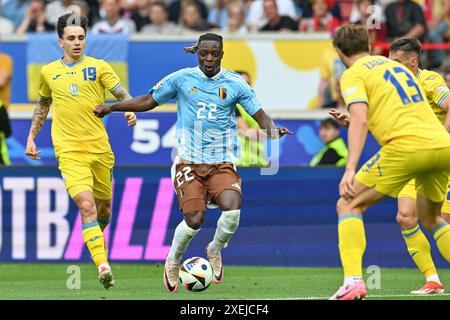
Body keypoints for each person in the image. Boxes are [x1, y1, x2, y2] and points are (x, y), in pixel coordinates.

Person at [93, 33, 292, 292]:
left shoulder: (235, 84)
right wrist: (111, 108)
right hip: (188, 162)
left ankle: (215, 248)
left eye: (214, 53)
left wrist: (272, 131)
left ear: (222, 54)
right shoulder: (181, 79)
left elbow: (260, 115)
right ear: (198, 53)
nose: (209, 58)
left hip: (221, 162)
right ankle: (173, 259)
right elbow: (147, 100)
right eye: (204, 53)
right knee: (195, 219)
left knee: (232, 210)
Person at [329, 24, 450, 300]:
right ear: (369, 46)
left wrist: (350, 169)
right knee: (432, 218)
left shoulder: (353, 74)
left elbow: (360, 118)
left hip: (406, 149)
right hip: (442, 146)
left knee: (347, 203)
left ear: (339, 52)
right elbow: (397, 114)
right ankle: (432, 279)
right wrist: (362, 122)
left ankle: (353, 282)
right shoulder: (393, 67)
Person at [25, 13, 137, 289]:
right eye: (72, 38)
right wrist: (31, 138)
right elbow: (42, 106)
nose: (77, 43)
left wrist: (130, 111)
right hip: (69, 151)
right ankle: (103, 265)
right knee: (86, 205)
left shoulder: (99, 67)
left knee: (104, 210)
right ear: (60, 41)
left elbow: (123, 95)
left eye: (81, 38)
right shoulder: (48, 72)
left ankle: (94, 240)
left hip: (99, 150)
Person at [234, 70, 268, 167]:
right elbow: (247, 133)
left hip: (258, 162)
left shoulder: (254, 108)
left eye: (248, 83)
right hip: (240, 163)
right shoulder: (231, 107)